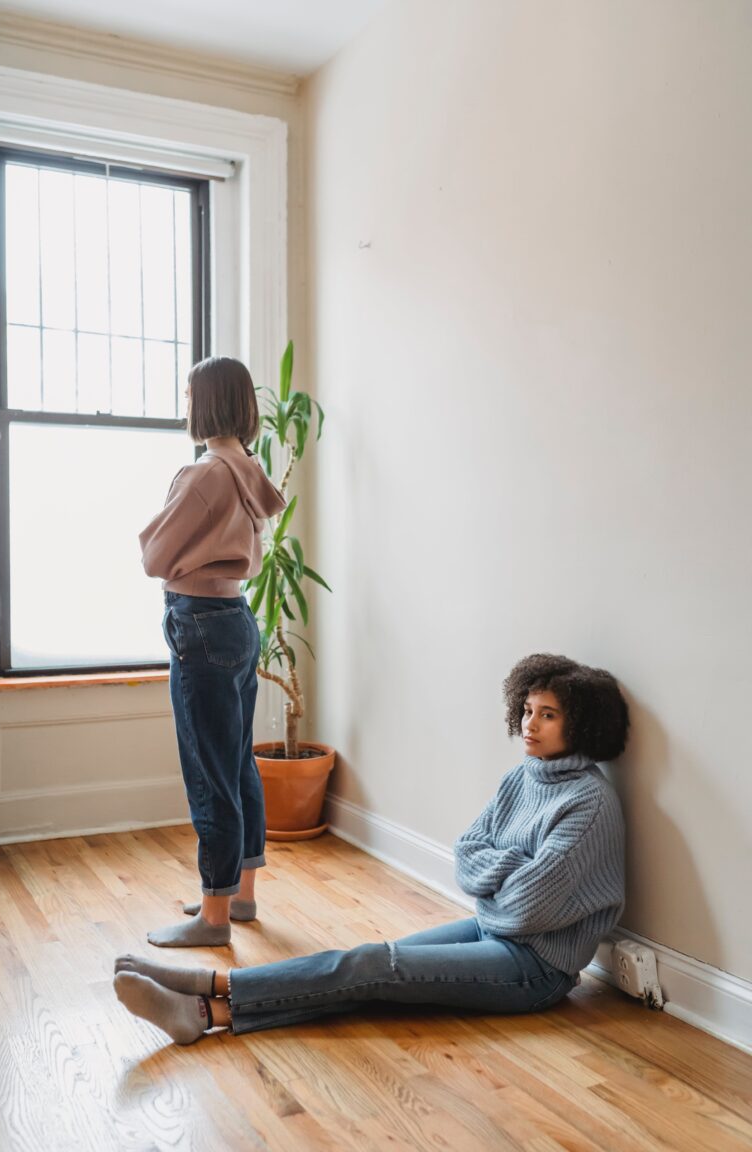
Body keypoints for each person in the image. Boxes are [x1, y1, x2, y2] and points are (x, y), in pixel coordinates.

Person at [114, 652, 629, 1041]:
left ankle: (206, 995)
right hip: (491, 930)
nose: (529, 724)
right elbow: (467, 856)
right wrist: (512, 868)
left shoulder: (588, 805)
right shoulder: (524, 776)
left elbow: (524, 908)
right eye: (528, 709)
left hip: (537, 970)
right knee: (366, 965)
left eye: (548, 716)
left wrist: (500, 879)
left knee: (372, 971)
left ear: (581, 727)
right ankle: (204, 1001)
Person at [138, 356, 285, 949]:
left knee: (209, 772)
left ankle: (214, 918)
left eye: (187, 394)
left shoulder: (203, 474)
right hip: (235, 619)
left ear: (206, 403)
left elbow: (153, 557)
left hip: (199, 622)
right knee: (236, 761)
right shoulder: (246, 467)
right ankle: (240, 895)